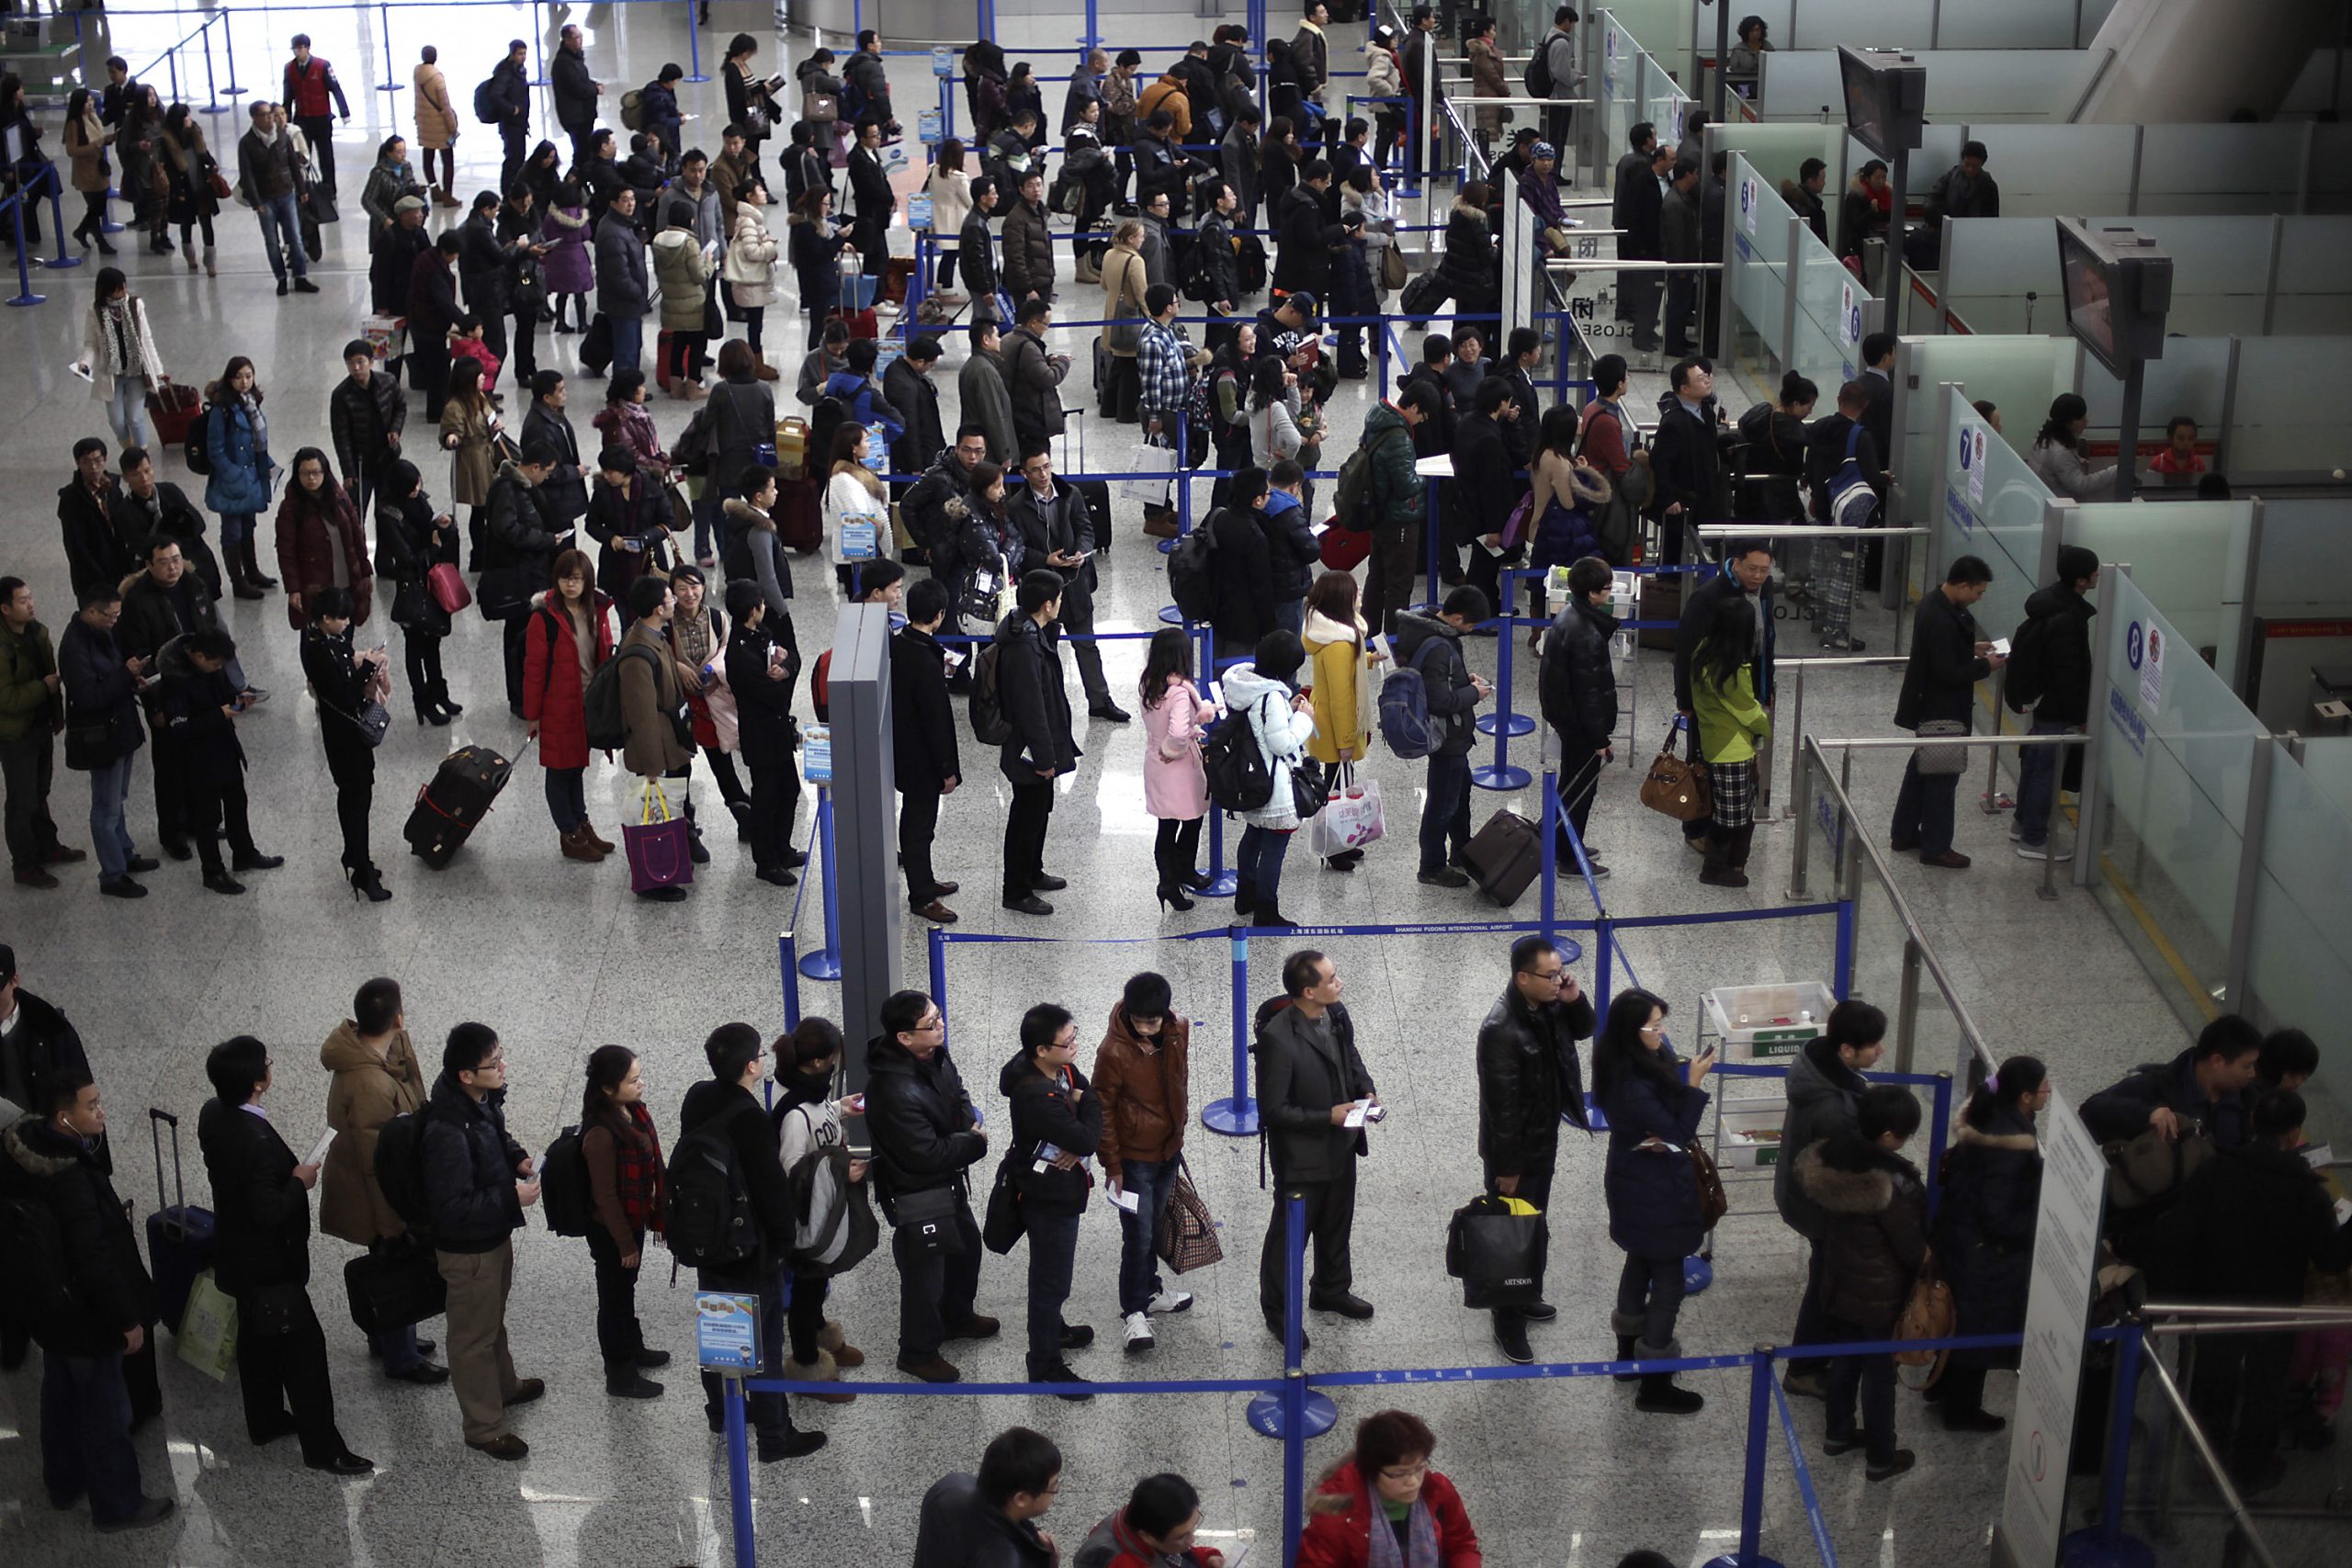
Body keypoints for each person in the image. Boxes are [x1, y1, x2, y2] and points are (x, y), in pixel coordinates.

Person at [2155, 1087, 2352, 1493]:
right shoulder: (2307, 1192)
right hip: (2273, 1307)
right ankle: (2251, 1468)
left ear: (2251, 1122)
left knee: (2214, 1377)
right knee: (2265, 1386)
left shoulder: (2215, 1170)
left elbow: (2180, 1230)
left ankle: (2205, 1460)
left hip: (2214, 1296)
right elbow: (2332, 1258)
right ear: (2295, 1133)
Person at [5, 1068, 176, 1531]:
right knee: (105, 1412)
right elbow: (95, 1258)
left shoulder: (23, 1152)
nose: (102, 1111)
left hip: (47, 1309)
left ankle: (62, 1483)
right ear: (64, 1118)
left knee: (58, 1395)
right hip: (85, 1316)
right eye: (92, 1105)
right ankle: (118, 1505)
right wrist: (128, 1319)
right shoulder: (72, 1180)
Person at [196, 1036, 371, 1475]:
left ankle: (266, 1417)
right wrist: (299, 1181)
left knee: (256, 1341)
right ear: (258, 1083)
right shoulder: (254, 1142)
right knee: (305, 1354)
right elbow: (268, 1211)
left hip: (236, 1258)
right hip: (269, 1267)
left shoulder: (213, 1113)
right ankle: (323, 1448)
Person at [677, 1024, 825, 1458]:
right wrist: (784, 1245)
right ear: (751, 1066)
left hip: (708, 1237)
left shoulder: (697, 1097)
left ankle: (722, 1413)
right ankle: (776, 1436)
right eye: (761, 1054)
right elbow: (771, 1190)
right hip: (749, 1247)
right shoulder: (750, 1119)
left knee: (719, 1329)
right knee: (764, 1344)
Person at [423, 1022, 544, 1461]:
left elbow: (497, 1138)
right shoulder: (447, 1131)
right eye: (493, 1063)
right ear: (466, 1075)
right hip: (468, 1250)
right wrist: (511, 1196)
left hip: (492, 1235)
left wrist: (518, 1159)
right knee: (472, 1336)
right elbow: (452, 1206)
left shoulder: (479, 1102)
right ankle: (484, 1426)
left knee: (492, 1319)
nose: (502, 1066)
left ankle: (504, 1387)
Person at [1798, 1085, 1928, 1481]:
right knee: (1879, 1375)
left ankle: (1837, 1435)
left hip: (1840, 1283)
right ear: (1889, 1136)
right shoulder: (1891, 1184)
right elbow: (1910, 1247)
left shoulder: (1832, 1161)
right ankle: (1881, 1457)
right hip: (1880, 1295)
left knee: (1844, 1360)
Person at [1593, 987, 1714, 1413]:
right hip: (1657, 1187)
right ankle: (1655, 1383)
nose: (1662, 1034)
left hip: (1632, 1179)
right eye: (1654, 1027)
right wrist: (1694, 1085)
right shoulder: (1632, 1084)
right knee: (1668, 1281)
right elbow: (1678, 1133)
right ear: (1633, 1030)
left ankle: (1626, 1357)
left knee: (1639, 1258)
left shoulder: (1618, 1060)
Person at [318, 976, 444, 1384]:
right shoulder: (371, 1083)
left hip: (366, 1181)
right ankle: (400, 1355)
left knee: (387, 1261)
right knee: (393, 1262)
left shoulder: (371, 1057)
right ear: (397, 1017)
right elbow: (378, 1167)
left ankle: (388, 1333)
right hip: (373, 1193)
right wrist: (392, 1224)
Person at [1475, 936, 1594, 1363]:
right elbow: (1501, 1108)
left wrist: (1574, 998)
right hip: (1515, 1152)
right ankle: (1507, 1322)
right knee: (1511, 1236)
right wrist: (1508, 1168)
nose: (1559, 980)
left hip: (1543, 1137)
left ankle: (1524, 1295)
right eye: (1551, 975)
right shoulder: (1499, 1030)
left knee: (1534, 1225)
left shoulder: (1549, 1004)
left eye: (1561, 972)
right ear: (1522, 978)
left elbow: (1584, 1029)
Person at [867, 989, 997, 1383]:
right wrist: (972, 1142)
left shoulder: (935, 1054)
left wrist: (960, 1128)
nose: (941, 1026)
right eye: (931, 1024)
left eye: (939, 1017)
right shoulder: (892, 1091)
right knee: (925, 1276)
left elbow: (958, 1093)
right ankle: (918, 1352)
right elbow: (924, 1154)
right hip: (918, 1192)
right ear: (904, 1038)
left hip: (948, 1180)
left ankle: (956, 1317)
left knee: (966, 1250)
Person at [1256, 949, 1379, 1343]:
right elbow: (1274, 1110)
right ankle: (1278, 1311)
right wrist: (1329, 1116)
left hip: (1341, 1146)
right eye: (1331, 979)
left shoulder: (1338, 1015)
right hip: (1301, 1159)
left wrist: (1366, 1089)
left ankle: (1331, 1289)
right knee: (1289, 1238)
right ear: (1308, 991)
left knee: (1337, 1223)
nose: (1339, 983)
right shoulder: (1277, 1039)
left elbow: (1350, 1057)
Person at [1770, 1000, 1887, 1397]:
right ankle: (1804, 1369)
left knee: (1826, 1277)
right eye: (1873, 1045)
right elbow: (1847, 1174)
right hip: (1820, 1207)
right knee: (1826, 1285)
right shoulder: (1834, 1108)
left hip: (1799, 1191)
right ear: (1847, 1050)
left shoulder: (1817, 1063)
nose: (1881, 1052)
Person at [1931, 1055, 2047, 1433]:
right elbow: (1998, 1215)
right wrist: (2038, 1226)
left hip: (1961, 1238)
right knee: (1977, 1331)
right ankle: (1961, 1410)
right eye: (2044, 1086)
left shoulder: (1987, 1116)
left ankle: (1941, 1390)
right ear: (2026, 1097)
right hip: (1985, 1254)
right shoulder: (2010, 1147)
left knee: (1960, 1321)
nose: (2049, 1091)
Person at [996, 1004, 1103, 1398]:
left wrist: (1079, 1104)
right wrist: (1084, 1109)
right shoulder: (1037, 1096)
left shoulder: (1054, 1069)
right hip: (1048, 1196)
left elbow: (1084, 1089)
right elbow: (1087, 1138)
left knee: (1053, 1275)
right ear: (1041, 1049)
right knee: (1051, 1280)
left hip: (1054, 1183)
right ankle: (1044, 1363)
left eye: (1075, 1036)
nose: (1075, 1046)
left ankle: (1053, 1330)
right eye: (1068, 1041)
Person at [1091, 973, 1198, 1357]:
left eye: (1153, 1021)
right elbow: (1101, 1108)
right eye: (1140, 1020)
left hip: (1168, 1149)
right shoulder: (1113, 1051)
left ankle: (1150, 1291)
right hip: (1134, 1158)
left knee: (1153, 1228)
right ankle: (1133, 1311)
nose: (1146, 1028)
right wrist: (1113, 1165)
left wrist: (1178, 1133)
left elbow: (1178, 1080)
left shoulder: (1178, 1028)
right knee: (1136, 1237)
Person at [1893, 555, 2003, 867]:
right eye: (1978, 592)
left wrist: (1971, 648)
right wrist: (1986, 666)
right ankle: (1936, 846)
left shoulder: (1934, 604)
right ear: (1963, 585)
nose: (1979, 598)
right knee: (1942, 777)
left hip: (1927, 705)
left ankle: (1903, 832)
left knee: (1920, 769)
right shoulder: (1942, 618)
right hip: (1943, 711)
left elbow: (1940, 652)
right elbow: (1947, 672)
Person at [572, 1045, 668, 1400]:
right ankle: (620, 1372)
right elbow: (606, 1197)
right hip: (612, 1230)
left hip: (634, 1219)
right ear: (608, 1089)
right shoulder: (600, 1135)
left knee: (625, 1291)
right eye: (633, 1079)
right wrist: (625, 1244)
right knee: (613, 1299)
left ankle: (633, 1346)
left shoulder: (632, 1112)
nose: (641, 1083)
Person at [154, 627, 280, 895]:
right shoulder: (176, 680)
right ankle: (213, 871)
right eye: (215, 664)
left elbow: (224, 694)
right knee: (207, 818)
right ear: (198, 656)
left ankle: (244, 852)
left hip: (225, 748)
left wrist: (237, 701)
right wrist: (219, 714)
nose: (218, 668)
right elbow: (179, 728)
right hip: (198, 759)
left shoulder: (214, 668)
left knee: (237, 803)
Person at [1670, 539, 1776, 852]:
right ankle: (1696, 828)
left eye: (1765, 571)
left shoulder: (1763, 592)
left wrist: (1766, 690)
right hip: (1710, 699)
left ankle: (1724, 824)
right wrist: (1685, 702)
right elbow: (1686, 651)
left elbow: (1766, 641)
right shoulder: (1708, 597)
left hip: (1749, 685)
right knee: (1702, 766)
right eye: (1753, 569)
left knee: (1741, 766)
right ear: (1737, 563)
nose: (1758, 577)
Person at [1009, 442, 1125, 721]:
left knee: (1086, 643)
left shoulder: (1070, 494)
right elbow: (1019, 549)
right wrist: (1046, 560)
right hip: (1041, 588)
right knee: (1043, 650)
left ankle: (1099, 701)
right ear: (1024, 473)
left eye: (1047, 467)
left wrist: (1081, 553)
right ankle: (1046, 708)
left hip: (1075, 584)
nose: (1043, 474)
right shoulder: (1016, 507)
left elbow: (1087, 529)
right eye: (1036, 470)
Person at [57, 585, 155, 898]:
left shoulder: (99, 633)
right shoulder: (75, 647)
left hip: (119, 729)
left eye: (118, 614)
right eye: (111, 615)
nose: (116, 620)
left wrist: (130, 677)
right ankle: (112, 874)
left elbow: (109, 678)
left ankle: (124, 853)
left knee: (117, 799)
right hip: (101, 736)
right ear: (91, 612)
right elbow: (88, 697)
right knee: (106, 806)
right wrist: (125, 674)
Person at [994, 570, 1081, 916]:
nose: (1062, 603)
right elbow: (1032, 708)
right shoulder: (1024, 648)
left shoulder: (1031, 631)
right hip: (1029, 751)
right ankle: (1016, 889)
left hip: (1035, 747)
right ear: (1047, 604)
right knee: (1025, 817)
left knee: (1038, 810)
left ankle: (1032, 870)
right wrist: (1046, 758)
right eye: (1059, 599)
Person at [1394, 588, 1492, 888]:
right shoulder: (1439, 646)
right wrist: (1474, 692)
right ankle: (1431, 865)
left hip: (1452, 735)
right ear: (1458, 617)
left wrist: (1464, 680)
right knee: (1442, 803)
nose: (1471, 631)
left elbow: (1439, 681)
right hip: (1446, 735)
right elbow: (1439, 700)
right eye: (1471, 625)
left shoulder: (1426, 628)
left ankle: (1461, 850)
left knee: (1460, 792)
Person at [522, 549, 616, 862]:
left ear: (588, 580)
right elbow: (533, 671)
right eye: (565, 578)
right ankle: (569, 832)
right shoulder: (544, 618)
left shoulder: (597, 611)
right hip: (558, 706)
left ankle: (581, 822)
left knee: (575, 767)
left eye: (576, 578)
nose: (570, 585)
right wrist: (533, 715)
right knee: (559, 771)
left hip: (590, 702)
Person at [1296, 1409, 1480, 1568]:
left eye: (1419, 1468)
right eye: (1399, 1474)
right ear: (1372, 1472)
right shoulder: (1336, 1513)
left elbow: (1462, 1545)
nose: (1413, 1482)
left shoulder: (1438, 1490)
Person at [299, 588, 391, 901]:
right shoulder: (316, 651)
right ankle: (361, 868)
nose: (348, 622)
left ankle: (354, 855)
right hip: (343, 735)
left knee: (358, 795)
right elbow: (344, 693)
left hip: (350, 733)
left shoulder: (334, 640)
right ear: (325, 619)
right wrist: (367, 667)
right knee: (355, 797)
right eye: (343, 617)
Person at [2010, 545, 2099, 861]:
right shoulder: (2068, 618)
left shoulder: (2049, 603)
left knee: (2034, 763)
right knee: (2047, 771)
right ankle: (2034, 838)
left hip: (2042, 700)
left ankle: (2022, 824)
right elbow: (2069, 672)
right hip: (2057, 705)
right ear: (2081, 581)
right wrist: (2080, 714)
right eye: (2094, 573)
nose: (2097, 577)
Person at [616, 575, 695, 900]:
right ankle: (654, 880)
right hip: (655, 746)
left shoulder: (655, 635)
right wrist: (651, 764)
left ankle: (673, 862)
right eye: (670, 598)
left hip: (668, 739)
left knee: (671, 806)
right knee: (653, 815)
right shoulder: (637, 653)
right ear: (657, 608)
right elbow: (642, 715)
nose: (675, 602)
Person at [1538, 557, 1619, 876]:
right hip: (1581, 726)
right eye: (1606, 589)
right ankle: (1569, 857)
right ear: (1592, 593)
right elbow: (1589, 692)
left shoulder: (1568, 616)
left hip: (1566, 718)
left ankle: (1566, 842)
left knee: (1571, 785)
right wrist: (1600, 739)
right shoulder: (1586, 633)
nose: (1610, 594)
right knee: (1580, 791)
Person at [2082, 1013, 2263, 1154]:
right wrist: (2147, 1114)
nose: (2252, 1074)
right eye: (2246, 1066)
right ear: (2217, 1061)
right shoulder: (2158, 1085)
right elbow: (2091, 1110)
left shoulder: (2250, 1100)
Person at [887, 576, 959, 919]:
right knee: (919, 827)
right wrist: (948, 769)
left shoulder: (899, 645)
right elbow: (936, 722)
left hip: (902, 751)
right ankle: (921, 896)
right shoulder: (926, 660)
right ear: (939, 615)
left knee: (917, 825)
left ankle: (926, 881)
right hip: (923, 761)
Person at [1688, 593, 1770, 888]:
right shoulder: (1730, 670)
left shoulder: (1704, 653)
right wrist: (1767, 725)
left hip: (1717, 742)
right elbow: (1749, 711)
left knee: (1734, 808)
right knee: (1732, 814)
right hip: (1731, 748)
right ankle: (1715, 868)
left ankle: (1733, 862)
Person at [0, 579, 77, 891]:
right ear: (5, 609)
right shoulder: (2, 648)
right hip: (16, 733)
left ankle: (48, 845)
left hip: (41, 725)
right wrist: (43, 688)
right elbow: (6, 699)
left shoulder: (37, 631)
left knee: (40, 791)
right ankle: (25, 864)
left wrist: (56, 714)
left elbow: (51, 675)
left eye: (30, 597)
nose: (30, 604)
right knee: (22, 800)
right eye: (22, 601)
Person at [373, 460, 461, 726]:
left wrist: (444, 527)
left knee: (433, 641)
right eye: (410, 487)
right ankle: (422, 699)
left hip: (432, 580)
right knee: (416, 645)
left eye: (417, 484)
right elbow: (405, 557)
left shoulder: (418, 499)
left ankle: (439, 693)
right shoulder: (388, 514)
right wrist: (433, 548)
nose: (416, 490)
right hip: (412, 586)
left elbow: (429, 526)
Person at [913, 1427, 1063, 1567]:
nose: (1056, 1490)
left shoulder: (951, 1485)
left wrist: (1030, 1536)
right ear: (1021, 1499)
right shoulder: (1005, 1560)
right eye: (1053, 1487)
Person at [1138, 628, 1211, 908]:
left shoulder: (1148, 682)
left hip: (1154, 763)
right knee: (1192, 821)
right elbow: (1179, 732)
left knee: (1166, 826)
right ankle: (1179, 876)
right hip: (1178, 766)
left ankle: (1170, 879)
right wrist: (1176, 746)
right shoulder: (1180, 693)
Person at [1356, 387, 1434, 636]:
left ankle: (1368, 633)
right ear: (1413, 407)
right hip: (1399, 518)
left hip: (1379, 514)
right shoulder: (1399, 436)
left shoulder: (1378, 418)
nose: (1421, 421)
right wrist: (1424, 477)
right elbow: (1405, 486)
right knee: (1399, 584)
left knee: (1376, 576)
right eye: (1422, 415)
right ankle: (1394, 639)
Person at [203, 358, 282, 599]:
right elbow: (215, 449)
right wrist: (233, 474)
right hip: (233, 480)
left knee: (249, 526)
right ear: (229, 379)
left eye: (248, 376)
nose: (244, 381)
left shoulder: (252, 404)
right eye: (238, 377)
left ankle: (252, 572)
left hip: (252, 475)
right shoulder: (222, 410)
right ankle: (238, 582)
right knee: (232, 532)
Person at [275, 449, 374, 636]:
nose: (311, 478)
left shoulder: (341, 499)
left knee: (345, 634)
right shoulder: (291, 508)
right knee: (317, 640)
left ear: (325, 472)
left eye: (316, 472)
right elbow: (286, 552)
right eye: (305, 473)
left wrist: (366, 571)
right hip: (315, 586)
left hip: (346, 582)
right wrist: (293, 589)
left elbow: (357, 537)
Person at [72, 269, 162, 453]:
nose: (123, 291)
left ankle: (141, 455)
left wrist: (158, 370)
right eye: (118, 288)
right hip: (112, 373)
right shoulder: (95, 310)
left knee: (135, 418)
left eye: (124, 286)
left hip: (137, 371)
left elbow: (146, 339)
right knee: (116, 421)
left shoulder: (135, 306)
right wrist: (84, 364)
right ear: (106, 290)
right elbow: (91, 344)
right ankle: (129, 449)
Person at [234, 101, 316, 295]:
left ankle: (300, 277)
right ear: (255, 118)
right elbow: (247, 174)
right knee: (272, 241)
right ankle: (280, 278)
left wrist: (302, 189)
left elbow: (293, 164)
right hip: (265, 198)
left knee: (295, 238)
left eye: (270, 114)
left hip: (286, 193)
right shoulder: (247, 143)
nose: (270, 118)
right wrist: (256, 201)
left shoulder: (282, 135)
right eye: (264, 115)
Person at [1074, 1472, 1223, 1568]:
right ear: (1147, 1537)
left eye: (1195, 1525)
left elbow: (1175, 1553)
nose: (1192, 1540)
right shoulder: (1124, 1564)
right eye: (1182, 1536)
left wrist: (1207, 1559)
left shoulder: (1143, 1516)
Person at [328, 340, 407, 522]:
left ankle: (385, 550)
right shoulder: (341, 395)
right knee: (355, 515)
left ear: (371, 362)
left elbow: (400, 407)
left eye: (360, 361)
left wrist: (395, 429)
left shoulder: (388, 382)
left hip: (387, 458)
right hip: (360, 465)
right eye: (350, 363)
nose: (356, 368)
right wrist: (348, 472)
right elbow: (341, 436)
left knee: (387, 514)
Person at [280, 34, 349, 195]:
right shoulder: (289, 68)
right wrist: (286, 119)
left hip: (321, 118)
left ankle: (329, 187)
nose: (297, 52)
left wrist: (344, 112)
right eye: (295, 49)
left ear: (307, 48)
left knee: (326, 155)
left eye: (300, 48)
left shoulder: (322, 65)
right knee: (302, 155)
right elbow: (287, 95)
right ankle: (304, 188)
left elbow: (335, 88)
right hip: (302, 119)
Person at [595, 187, 652, 376]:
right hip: (623, 302)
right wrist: (637, 292)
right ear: (613, 203)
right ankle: (625, 395)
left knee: (631, 347)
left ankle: (631, 390)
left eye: (632, 199)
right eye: (625, 200)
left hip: (628, 302)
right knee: (626, 351)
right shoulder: (613, 232)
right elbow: (618, 275)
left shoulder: (622, 225)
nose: (630, 204)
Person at [2026, 393, 2121, 502]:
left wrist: (2076, 462)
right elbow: (2082, 486)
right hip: (2060, 509)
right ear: (2069, 422)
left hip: (2045, 500)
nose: (2086, 421)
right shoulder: (2061, 453)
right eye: (2081, 418)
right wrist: (2116, 471)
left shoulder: (2044, 436)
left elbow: (2053, 466)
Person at [959, 322, 1019, 465]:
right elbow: (993, 414)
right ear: (986, 339)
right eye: (997, 336)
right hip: (990, 456)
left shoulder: (974, 365)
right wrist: (1004, 453)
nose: (1000, 340)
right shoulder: (984, 371)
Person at [1925, 141, 2000, 228]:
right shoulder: (1951, 177)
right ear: (1963, 160)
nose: (1970, 169)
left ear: (1982, 164)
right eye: (1967, 164)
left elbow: (1992, 218)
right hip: (1947, 227)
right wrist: (1940, 219)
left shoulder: (1988, 186)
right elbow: (1932, 198)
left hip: (1975, 229)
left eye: (1975, 166)